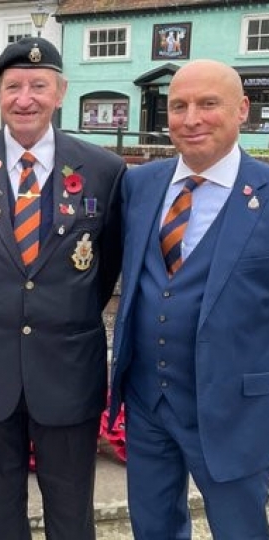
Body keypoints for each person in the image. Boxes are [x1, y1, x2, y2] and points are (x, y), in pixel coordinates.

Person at [0, 37, 125, 540]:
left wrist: (60, 313)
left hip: (67, 370)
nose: (25, 97)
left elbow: (107, 266)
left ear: (60, 91)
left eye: (39, 85)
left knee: (71, 510)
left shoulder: (104, 171)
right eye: (13, 86)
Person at [109, 59, 269, 538]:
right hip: (147, 403)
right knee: (153, 527)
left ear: (242, 110)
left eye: (207, 104)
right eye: (178, 106)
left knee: (240, 530)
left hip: (234, 409)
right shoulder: (139, 184)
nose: (191, 118)